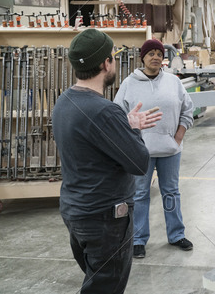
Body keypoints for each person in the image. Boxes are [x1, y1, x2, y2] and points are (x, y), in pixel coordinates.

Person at [52, 29, 162, 294]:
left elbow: (91, 141)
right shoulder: (104, 110)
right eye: (112, 57)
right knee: (104, 288)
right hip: (105, 220)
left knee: (96, 280)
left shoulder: (64, 101)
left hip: (76, 211)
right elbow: (139, 163)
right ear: (105, 63)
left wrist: (121, 128)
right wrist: (132, 131)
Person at [114, 38, 195, 259]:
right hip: (141, 152)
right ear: (143, 57)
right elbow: (118, 116)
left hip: (170, 150)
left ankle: (176, 234)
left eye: (159, 53)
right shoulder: (129, 83)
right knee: (140, 194)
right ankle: (138, 239)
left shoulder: (173, 82)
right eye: (151, 53)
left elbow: (188, 110)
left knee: (172, 192)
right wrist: (131, 142)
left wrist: (178, 136)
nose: (156, 57)